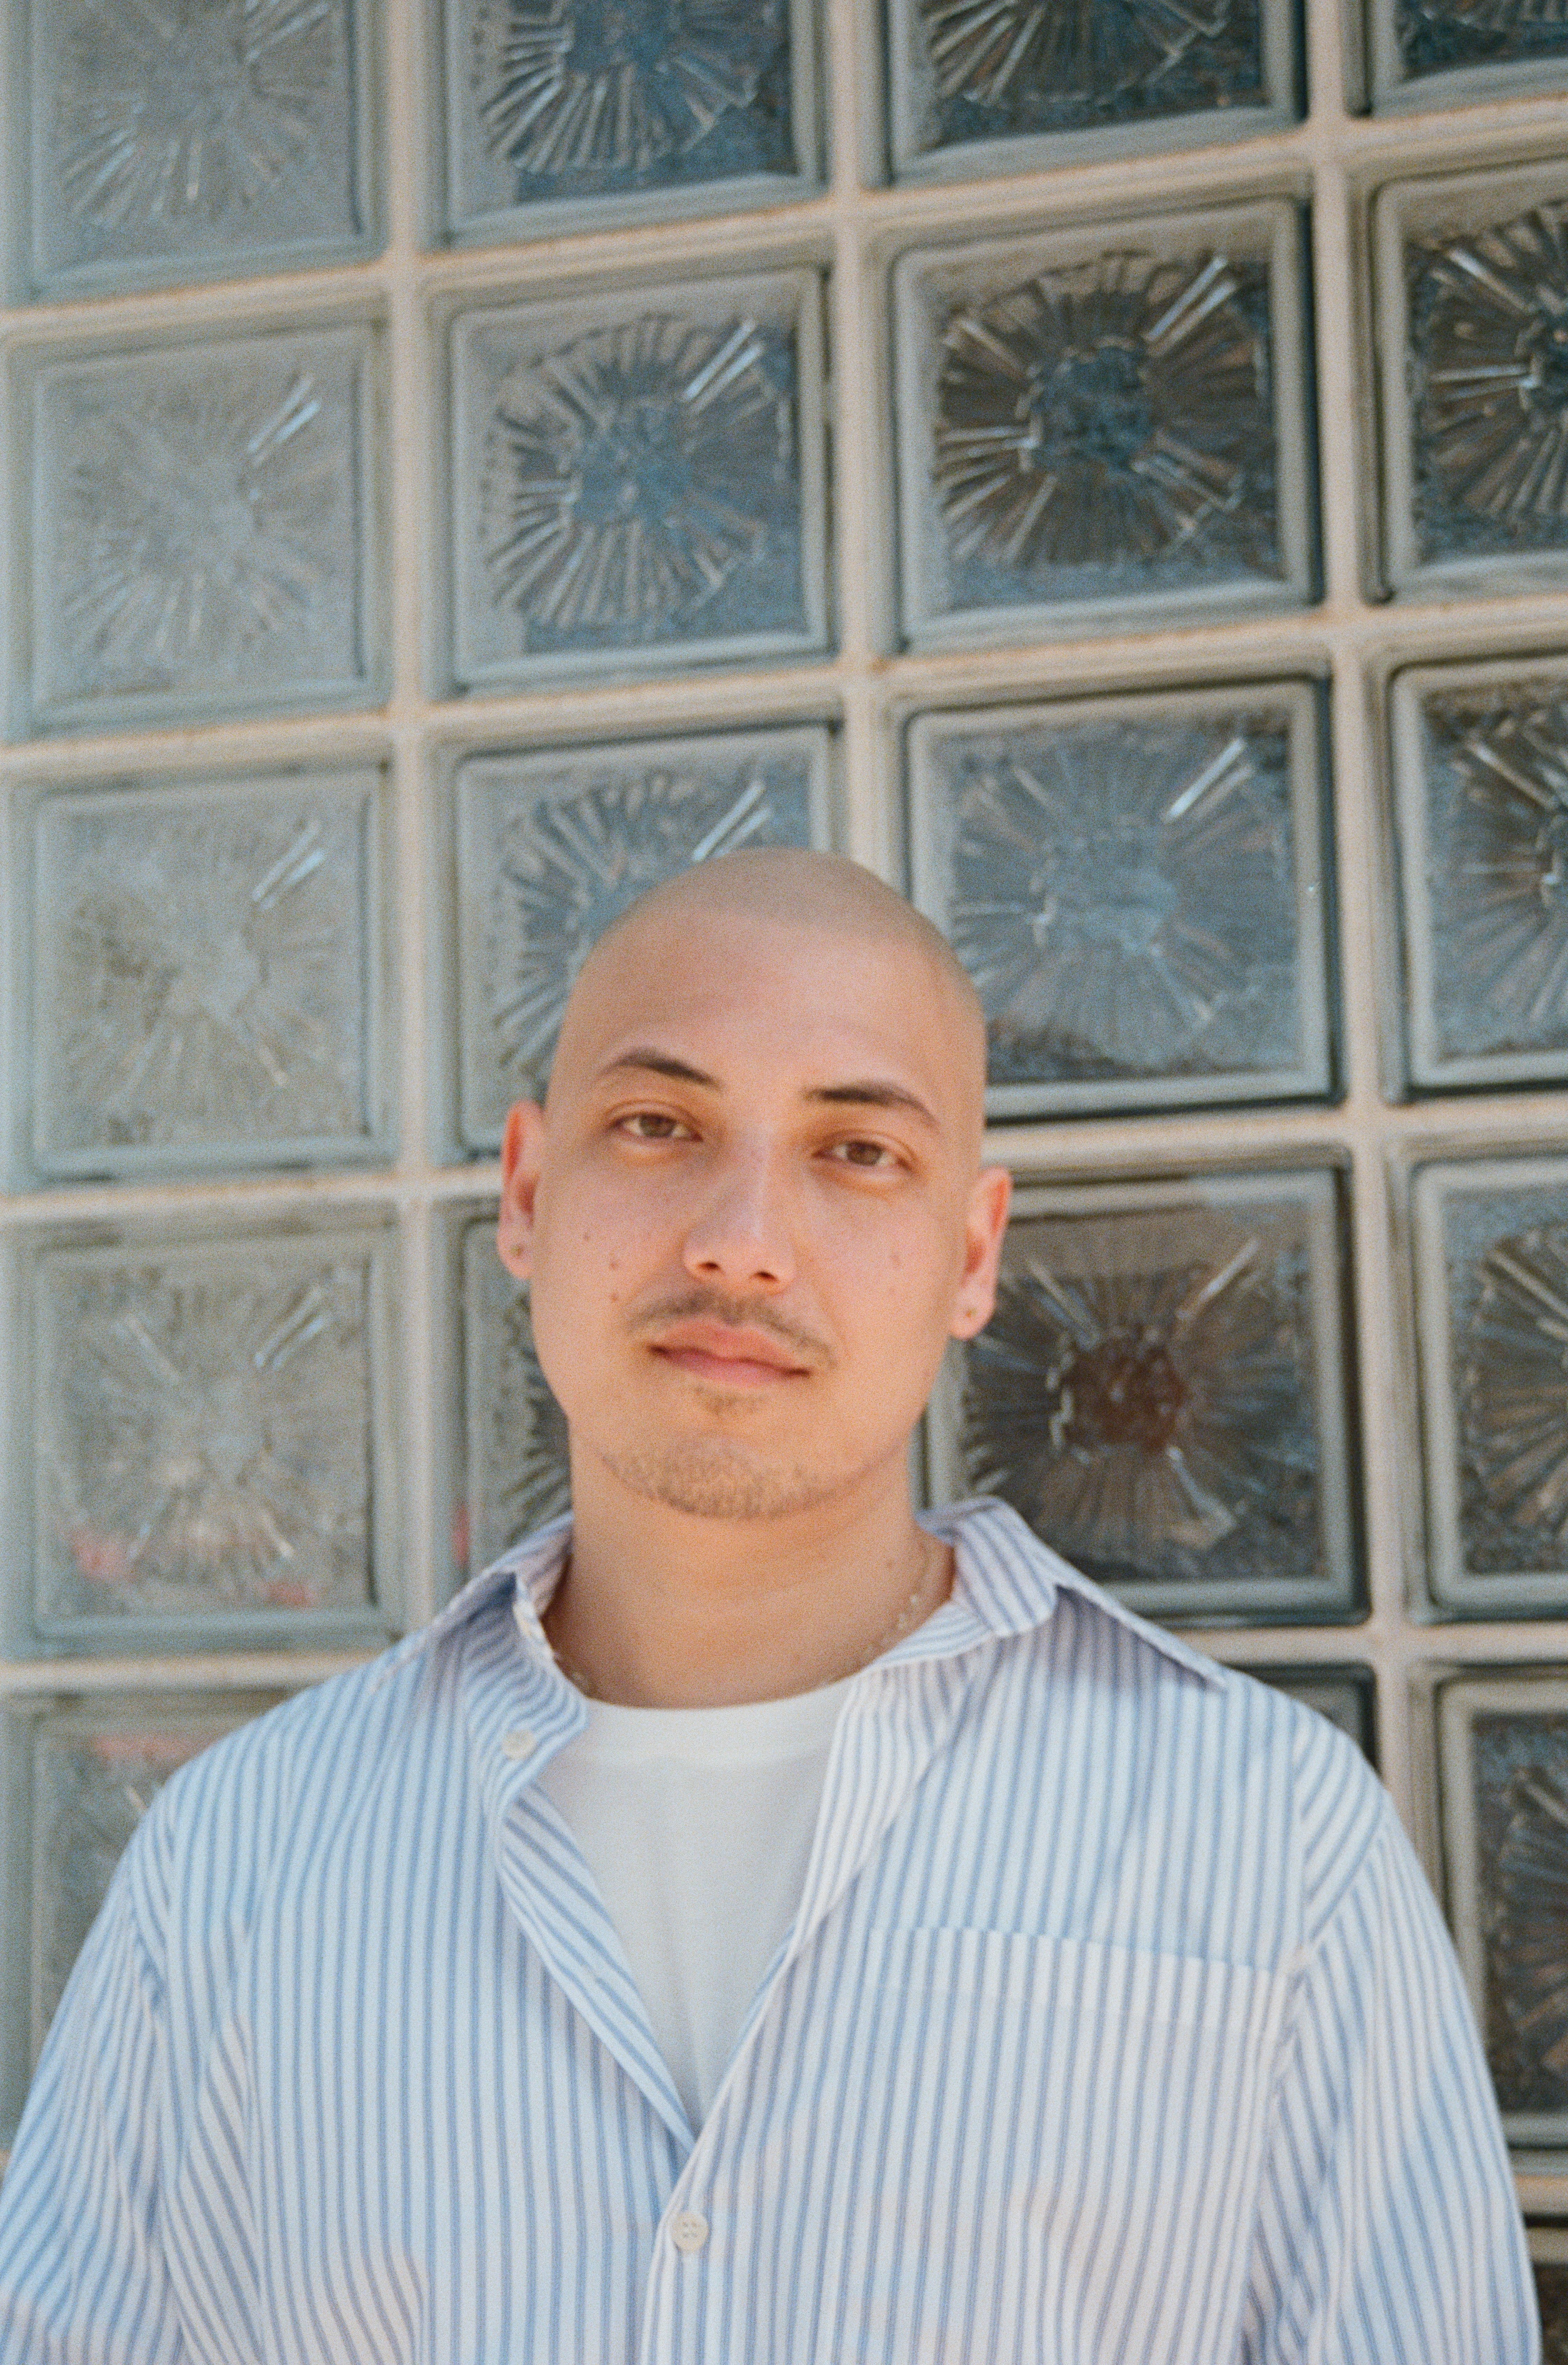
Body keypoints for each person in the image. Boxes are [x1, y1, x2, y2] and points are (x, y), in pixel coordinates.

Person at [0, 849, 1538, 2363]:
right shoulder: (242, 1863)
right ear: (529, 1192)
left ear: (973, 1252)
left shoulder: (1263, 1838)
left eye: (857, 1150)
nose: (741, 1235)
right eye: (659, 1122)